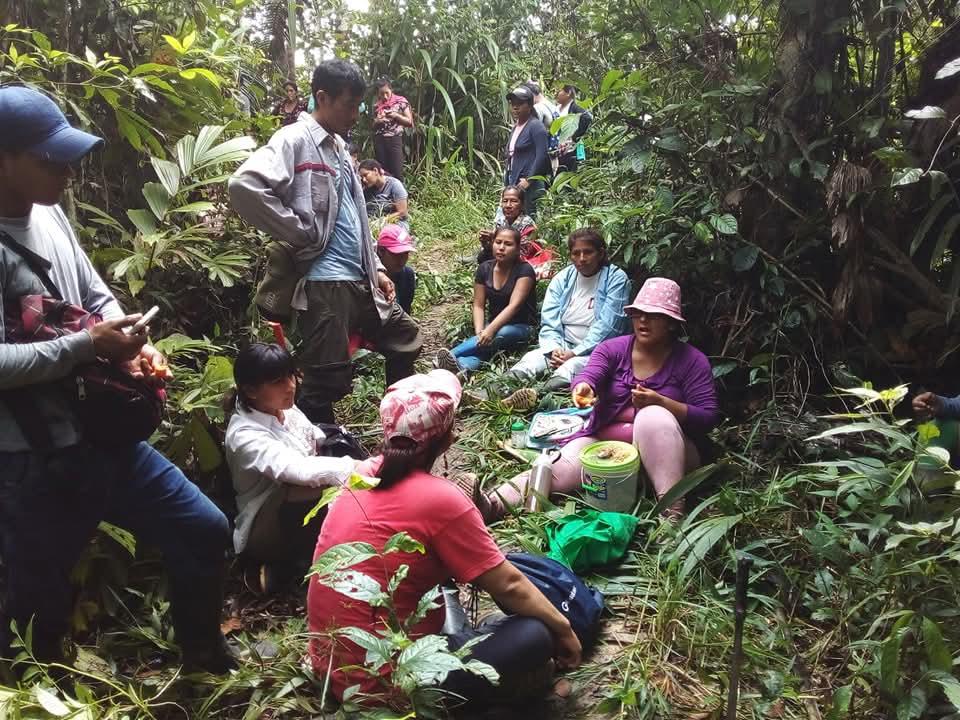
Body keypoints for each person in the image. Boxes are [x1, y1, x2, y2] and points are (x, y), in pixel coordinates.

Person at [0, 86, 233, 672]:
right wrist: (85, 346)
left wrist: (125, 339)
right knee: (37, 601)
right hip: (33, 461)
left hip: (103, 438)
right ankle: (40, 694)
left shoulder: (51, 216)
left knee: (203, 529)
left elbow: (94, 291)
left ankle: (203, 658)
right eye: (49, 160)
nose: (67, 173)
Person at [307, 370, 582, 704]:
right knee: (535, 634)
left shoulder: (361, 474)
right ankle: (506, 695)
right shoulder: (441, 498)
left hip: (333, 667)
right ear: (448, 437)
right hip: (395, 684)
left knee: (441, 582)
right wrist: (564, 630)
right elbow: (509, 585)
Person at [229, 59, 422, 426]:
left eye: (358, 106)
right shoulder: (295, 140)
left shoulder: (337, 149)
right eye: (348, 105)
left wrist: (378, 269)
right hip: (324, 282)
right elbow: (244, 185)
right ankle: (328, 452)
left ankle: (398, 422)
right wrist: (300, 231)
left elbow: (355, 216)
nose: (354, 114)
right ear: (322, 97)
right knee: (324, 380)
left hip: (359, 278)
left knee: (405, 337)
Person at [484, 278, 719, 518]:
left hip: (671, 461)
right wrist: (583, 387)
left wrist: (662, 403)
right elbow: (590, 374)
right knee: (554, 470)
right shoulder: (613, 349)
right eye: (638, 314)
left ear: (671, 323)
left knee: (653, 417)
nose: (644, 321)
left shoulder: (691, 360)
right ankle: (491, 503)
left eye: (654, 315)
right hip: (608, 455)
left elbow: (708, 417)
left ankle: (671, 515)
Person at [224, 342, 357, 593]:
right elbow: (298, 470)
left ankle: (308, 558)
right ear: (251, 390)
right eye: (277, 381)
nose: (290, 385)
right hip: (264, 527)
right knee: (305, 487)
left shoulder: (280, 406)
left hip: (291, 511)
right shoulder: (244, 434)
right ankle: (292, 564)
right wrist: (359, 469)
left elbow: (315, 437)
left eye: (290, 375)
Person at [506, 228, 631, 392]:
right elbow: (550, 320)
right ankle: (496, 391)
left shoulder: (615, 278)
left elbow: (610, 327)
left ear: (600, 254)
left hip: (597, 350)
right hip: (563, 344)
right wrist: (555, 349)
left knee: (571, 367)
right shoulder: (563, 278)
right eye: (575, 253)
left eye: (588, 252)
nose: (581, 259)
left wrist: (575, 353)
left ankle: (537, 396)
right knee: (531, 359)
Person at [435, 228, 537, 374]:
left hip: (522, 326)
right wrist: (480, 332)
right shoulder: (484, 268)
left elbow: (514, 306)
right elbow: (478, 305)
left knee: (503, 332)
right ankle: (461, 368)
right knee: (484, 351)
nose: (501, 248)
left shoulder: (524, 270)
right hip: (493, 325)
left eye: (508, 244)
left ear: (517, 249)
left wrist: (490, 330)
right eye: (498, 242)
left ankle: (451, 355)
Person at [504, 86, 549, 218]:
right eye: (513, 105)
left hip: (529, 183)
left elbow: (542, 156)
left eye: (520, 104)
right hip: (514, 178)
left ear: (529, 106)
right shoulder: (516, 127)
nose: (515, 108)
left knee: (530, 218)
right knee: (514, 217)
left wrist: (529, 180)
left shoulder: (535, 126)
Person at [478, 186, 537, 264]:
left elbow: (523, 254)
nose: (508, 205)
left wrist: (497, 239)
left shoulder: (528, 225)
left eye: (514, 201)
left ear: (522, 205)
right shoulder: (501, 221)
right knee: (482, 257)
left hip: (519, 262)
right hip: (502, 256)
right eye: (505, 201)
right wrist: (487, 243)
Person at [372, 78, 413, 181]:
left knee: (397, 172)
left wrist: (395, 115)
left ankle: (400, 196)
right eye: (381, 94)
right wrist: (378, 121)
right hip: (379, 141)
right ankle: (385, 196)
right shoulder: (377, 106)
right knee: (383, 173)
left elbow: (409, 122)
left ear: (391, 90)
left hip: (394, 139)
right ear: (378, 94)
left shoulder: (401, 101)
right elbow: (373, 126)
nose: (385, 97)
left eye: (387, 93)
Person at [376, 224, 417, 315]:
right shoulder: (369, 277)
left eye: (405, 254)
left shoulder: (407, 275)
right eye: (396, 255)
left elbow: (405, 311)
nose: (402, 260)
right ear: (381, 251)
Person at [359, 159, 409, 228]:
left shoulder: (394, 185)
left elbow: (403, 212)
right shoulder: (367, 190)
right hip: (372, 225)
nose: (364, 180)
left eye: (365, 175)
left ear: (375, 170)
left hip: (395, 224)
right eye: (362, 177)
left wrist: (382, 221)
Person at [554, 85, 593, 173]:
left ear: (568, 93)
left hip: (569, 150)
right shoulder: (556, 108)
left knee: (568, 173)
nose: (557, 93)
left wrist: (574, 137)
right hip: (556, 150)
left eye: (560, 91)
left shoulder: (574, 109)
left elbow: (587, 118)